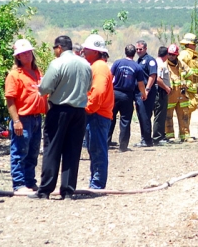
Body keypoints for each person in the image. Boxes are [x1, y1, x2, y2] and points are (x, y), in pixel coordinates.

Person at [30, 36, 92, 200]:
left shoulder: (57, 63)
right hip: (79, 111)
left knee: (52, 149)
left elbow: (44, 88)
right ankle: (68, 191)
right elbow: (88, 87)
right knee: (73, 151)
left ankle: (45, 190)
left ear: (59, 48)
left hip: (59, 110)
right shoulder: (85, 64)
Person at [5, 39, 47, 196]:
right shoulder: (14, 75)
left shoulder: (37, 72)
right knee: (19, 152)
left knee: (33, 152)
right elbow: (10, 100)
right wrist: (16, 121)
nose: (27, 55)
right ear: (18, 57)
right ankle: (19, 184)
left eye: (28, 52)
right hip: (23, 119)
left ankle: (30, 181)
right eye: (23, 54)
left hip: (37, 118)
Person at [82, 34, 114, 189]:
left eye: (86, 49)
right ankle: (95, 182)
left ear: (95, 51)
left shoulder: (99, 67)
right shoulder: (99, 66)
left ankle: (97, 184)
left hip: (97, 115)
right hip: (98, 115)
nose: (83, 51)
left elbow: (98, 92)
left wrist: (88, 108)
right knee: (95, 150)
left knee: (98, 151)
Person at [109, 44, 147, 152]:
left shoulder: (117, 63)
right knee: (125, 120)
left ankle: (106, 142)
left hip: (115, 93)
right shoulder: (137, 67)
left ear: (125, 52)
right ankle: (123, 146)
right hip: (127, 96)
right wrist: (143, 94)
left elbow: (110, 78)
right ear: (134, 53)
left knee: (110, 118)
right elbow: (140, 84)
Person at [165, 44, 193, 142]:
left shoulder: (182, 64)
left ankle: (185, 135)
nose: (171, 56)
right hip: (170, 95)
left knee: (184, 116)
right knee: (168, 117)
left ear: (177, 55)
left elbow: (191, 77)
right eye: (169, 54)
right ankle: (169, 136)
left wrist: (187, 84)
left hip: (182, 95)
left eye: (173, 54)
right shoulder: (165, 65)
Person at [134, 40, 158, 148]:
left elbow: (152, 75)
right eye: (137, 49)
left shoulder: (150, 60)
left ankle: (148, 140)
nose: (138, 51)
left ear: (145, 49)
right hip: (139, 92)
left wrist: (147, 89)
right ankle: (144, 138)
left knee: (145, 116)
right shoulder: (138, 61)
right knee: (140, 115)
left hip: (147, 91)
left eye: (140, 49)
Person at [152, 46, 172, 145]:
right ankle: (158, 137)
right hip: (160, 91)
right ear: (167, 54)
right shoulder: (160, 64)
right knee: (159, 114)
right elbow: (158, 79)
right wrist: (166, 88)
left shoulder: (158, 62)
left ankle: (161, 135)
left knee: (161, 114)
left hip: (160, 91)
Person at [179, 33, 198, 113]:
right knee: (185, 114)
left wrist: (196, 87)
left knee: (191, 108)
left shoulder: (191, 55)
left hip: (191, 89)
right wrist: (183, 87)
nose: (195, 46)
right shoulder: (184, 54)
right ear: (189, 44)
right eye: (194, 44)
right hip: (186, 90)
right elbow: (180, 71)